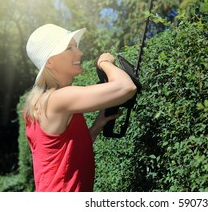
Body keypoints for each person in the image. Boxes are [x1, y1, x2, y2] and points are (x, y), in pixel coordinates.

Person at [22, 23, 137, 192]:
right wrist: (105, 63)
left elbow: (64, 157)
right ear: (50, 62)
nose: (80, 53)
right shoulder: (58, 99)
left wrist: (96, 127)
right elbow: (126, 87)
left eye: (76, 47)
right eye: (69, 48)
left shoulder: (41, 101)